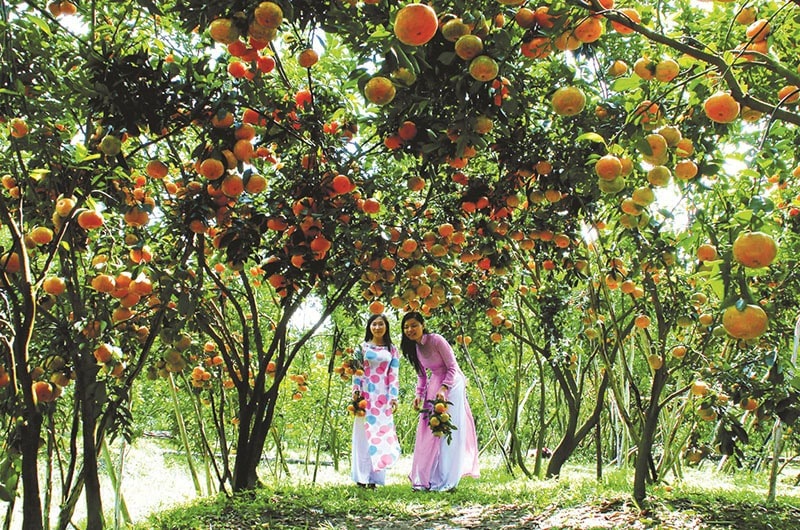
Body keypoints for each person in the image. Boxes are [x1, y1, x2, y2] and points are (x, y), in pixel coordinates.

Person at [401, 311, 479, 492]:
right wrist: (419, 395)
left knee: (447, 428)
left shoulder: (436, 340)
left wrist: (445, 388)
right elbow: (421, 375)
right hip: (435, 382)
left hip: (453, 383)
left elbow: (452, 367)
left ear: (422, 325)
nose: (410, 330)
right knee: (430, 429)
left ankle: (448, 479)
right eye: (406, 327)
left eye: (414, 325)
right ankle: (429, 476)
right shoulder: (414, 347)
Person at [350, 313, 401, 488]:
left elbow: (394, 374)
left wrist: (394, 397)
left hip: (383, 397)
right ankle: (361, 477)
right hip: (365, 395)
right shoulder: (361, 348)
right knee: (363, 436)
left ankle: (375, 479)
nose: (377, 327)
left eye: (381, 324)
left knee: (381, 436)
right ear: (369, 327)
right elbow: (356, 372)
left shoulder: (392, 349)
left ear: (386, 327)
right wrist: (356, 392)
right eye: (374, 324)